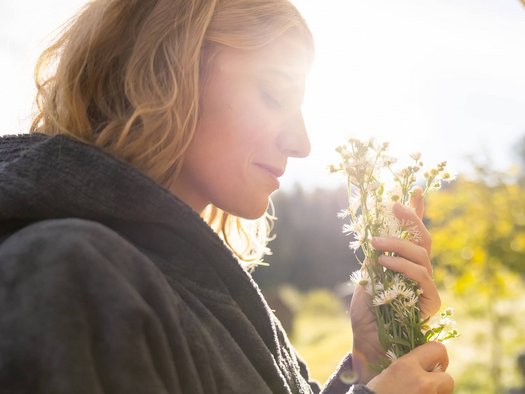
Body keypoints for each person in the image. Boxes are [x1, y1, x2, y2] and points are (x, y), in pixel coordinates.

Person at [0, 0, 454, 393]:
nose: (302, 143)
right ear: (169, 70)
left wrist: (369, 359)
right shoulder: (69, 273)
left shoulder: (215, 290)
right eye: (274, 94)